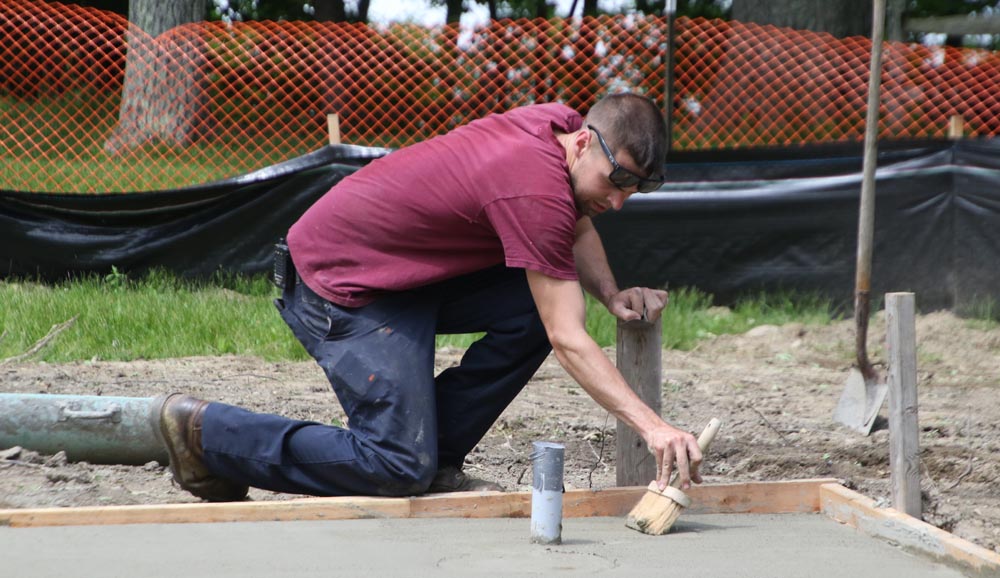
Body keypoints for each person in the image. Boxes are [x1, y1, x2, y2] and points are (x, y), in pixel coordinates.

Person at [153, 93, 703, 502]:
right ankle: (209, 435)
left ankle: (433, 456)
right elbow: (568, 339)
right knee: (393, 466)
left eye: (633, 190)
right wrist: (654, 426)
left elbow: (576, 223)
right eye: (615, 181)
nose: (619, 201)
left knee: (532, 314)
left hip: (402, 275)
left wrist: (608, 292)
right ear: (585, 143)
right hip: (338, 283)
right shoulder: (531, 188)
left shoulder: (557, 126)